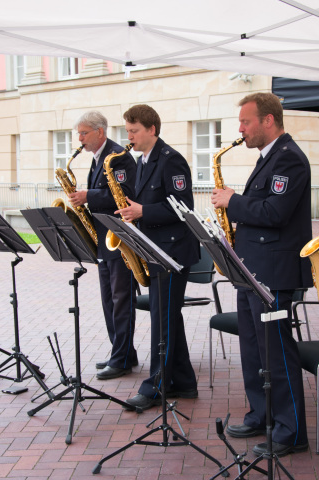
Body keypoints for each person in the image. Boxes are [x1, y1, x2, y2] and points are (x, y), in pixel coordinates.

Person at [211, 92, 312, 457]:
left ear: (268, 120)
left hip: (274, 273)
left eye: (246, 122)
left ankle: (291, 431)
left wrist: (232, 201)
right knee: (253, 348)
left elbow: (275, 212)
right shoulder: (269, 158)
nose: (240, 129)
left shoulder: (290, 159)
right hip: (252, 268)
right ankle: (261, 412)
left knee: (277, 353)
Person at [116, 104, 200, 411]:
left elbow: (183, 208)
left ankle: (156, 387)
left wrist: (143, 211)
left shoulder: (171, 160)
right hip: (155, 249)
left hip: (173, 253)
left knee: (162, 320)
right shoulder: (142, 161)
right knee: (168, 316)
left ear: (152, 129)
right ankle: (185, 382)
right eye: (127, 131)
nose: (130, 137)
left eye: (134, 131)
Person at [68, 111, 139, 380]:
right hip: (103, 240)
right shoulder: (99, 157)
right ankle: (121, 353)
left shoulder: (118, 157)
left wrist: (88, 196)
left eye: (84, 133)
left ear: (100, 132)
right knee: (109, 300)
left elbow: (123, 195)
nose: (80, 139)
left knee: (121, 300)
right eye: (79, 134)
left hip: (119, 239)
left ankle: (121, 359)